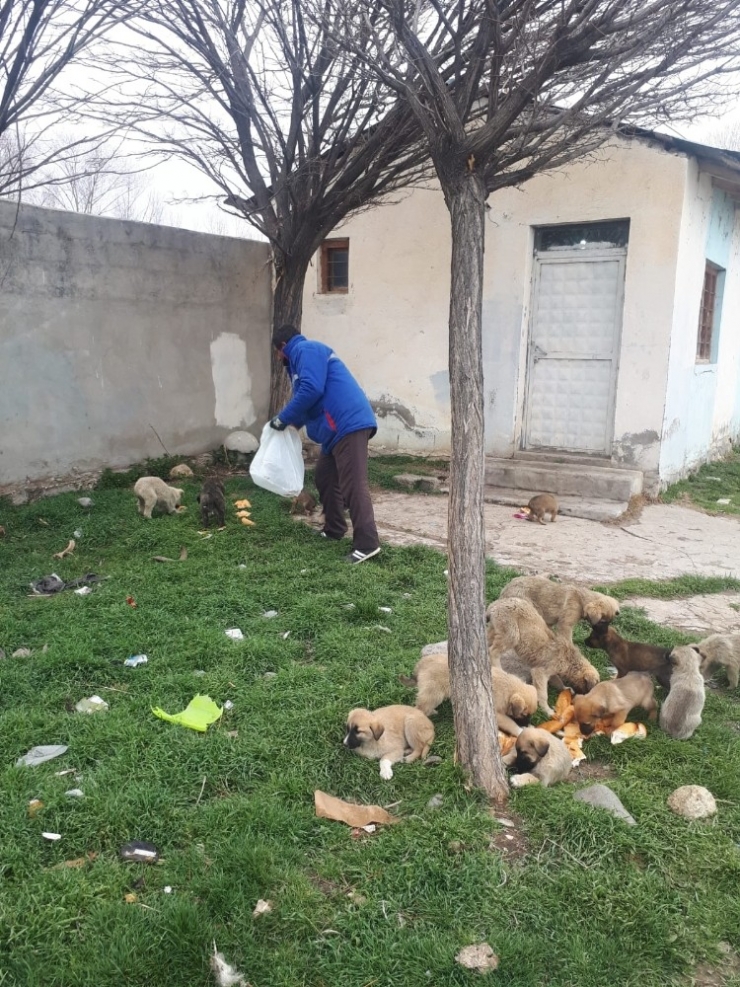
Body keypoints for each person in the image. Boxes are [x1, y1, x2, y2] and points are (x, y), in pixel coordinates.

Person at [270, 325, 381, 564]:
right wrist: (289, 426)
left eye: (277, 353)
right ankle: (334, 529)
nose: (279, 358)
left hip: (348, 423)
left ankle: (367, 544)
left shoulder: (305, 349)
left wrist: (283, 418)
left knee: (353, 484)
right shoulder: (299, 363)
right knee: (325, 476)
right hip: (335, 430)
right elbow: (308, 403)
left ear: (282, 347)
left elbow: (311, 389)